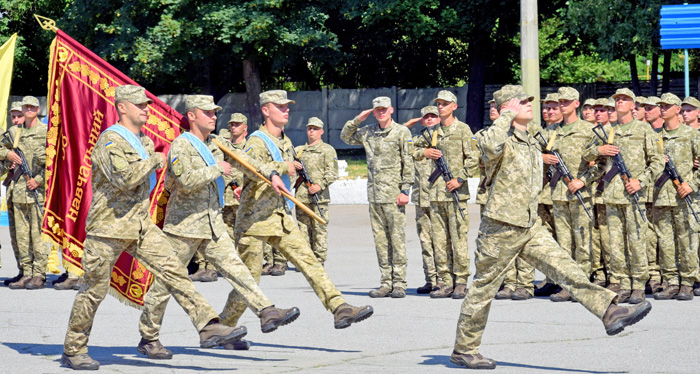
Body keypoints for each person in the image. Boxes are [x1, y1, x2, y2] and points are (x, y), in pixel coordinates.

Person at [450, 85, 652, 370]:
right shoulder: (494, 135)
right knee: (483, 289)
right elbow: (490, 148)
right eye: (523, 102)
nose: (532, 106)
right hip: (501, 227)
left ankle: (610, 311)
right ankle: (464, 349)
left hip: (529, 224)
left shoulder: (532, 137)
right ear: (508, 108)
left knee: (566, 268)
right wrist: (504, 116)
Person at [60, 85, 253, 370]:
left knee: (174, 272)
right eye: (140, 106)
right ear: (122, 107)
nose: (146, 110)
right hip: (108, 229)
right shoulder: (110, 142)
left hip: (140, 225)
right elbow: (124, 178)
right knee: (93, 291)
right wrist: (154, 161)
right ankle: (73, 349)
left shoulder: (146, 142)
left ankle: (208, 325)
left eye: (147, 105)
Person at [137, 95, 300, 359]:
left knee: (238, 270)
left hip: (212, 225)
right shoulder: (181, 145)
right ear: (192, 115)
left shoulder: (215, 143)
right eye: (208, 113)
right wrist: (216, 169)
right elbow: (187, 180)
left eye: (215, 113)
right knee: (165, 285)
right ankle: (149, 337)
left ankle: (266, 310)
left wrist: (271, 173)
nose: (214, 117)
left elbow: (247, 161)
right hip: (183, 228)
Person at [221, 89, 373, 328]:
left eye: (286, 106)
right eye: (280, 106)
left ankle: (339, 308)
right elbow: (250, 167)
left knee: (309, 261)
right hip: (254, 220)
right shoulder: (256, 140)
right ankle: (225, 326)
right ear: (265, 110)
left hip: (280, 217)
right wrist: (282, 167)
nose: (286, 110)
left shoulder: (286, 141)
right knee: (250, 280)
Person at [583, 88, 665, 304]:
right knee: (615, 244)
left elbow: (657, 162)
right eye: (617, 99)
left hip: (633, 195)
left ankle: (638, 284)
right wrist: (599, 151)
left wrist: (641, 181)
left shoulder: (644, 130)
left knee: (637, 240)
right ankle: (622, 283)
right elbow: (588, 155)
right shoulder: (607, 132)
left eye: (624, 99)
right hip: (611, 195)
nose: (620, 102)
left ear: (633, 105)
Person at [341, 96, 414, 298]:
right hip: (374, 195)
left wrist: (405, 190)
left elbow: (408, 162)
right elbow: (345, 137)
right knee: (381, 241)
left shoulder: (401, 132)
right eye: (377, 110)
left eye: (384, 109)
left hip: (393, 196)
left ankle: (399, 283)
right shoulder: (368, 132)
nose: (381, 112)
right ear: (373, 112)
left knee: (397, 240)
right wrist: (357, 119)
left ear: (391, 110)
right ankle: (386, 282)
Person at [413, 90, 478, 299]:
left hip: (455, 194)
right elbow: (410, 149)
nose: (441, 107)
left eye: (445, 104)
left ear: (454, 106)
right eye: (439, 104)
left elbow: (474, 157)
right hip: (435, 194)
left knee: (458, 238)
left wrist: (459, 179)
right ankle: (445, 281)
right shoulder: (432, 132)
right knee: (439, 241)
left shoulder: (463, 130)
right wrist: (424, 153)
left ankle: (460, 281)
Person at [544, 87, 598, 302]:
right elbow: (531, 150)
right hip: (558, 193)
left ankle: (582, 285)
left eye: (567, 102)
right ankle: (567, 285)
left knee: (583, 240)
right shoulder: (551, 131)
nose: (562, 105)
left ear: (577, 103)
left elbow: (601, 164)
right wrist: (542, 158)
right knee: (563, 244)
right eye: (560, 102)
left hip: (580, 193)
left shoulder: (589, 130)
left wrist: (582, 180)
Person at [651, 93, 700, 301]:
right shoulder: (655, 136)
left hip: (684, 196)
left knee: (687, 239)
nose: (663, 109)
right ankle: (670, 281)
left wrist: (692, 184)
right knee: (665, 241)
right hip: (662, 196)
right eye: (661, 106)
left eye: (667, 106)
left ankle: (688, 282)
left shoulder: (691, 134)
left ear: (677, 109)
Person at [0, 96, 50, 290]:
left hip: (37, 192)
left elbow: (55, 163)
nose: (28, 110)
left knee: (37, 236)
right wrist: (7, 154)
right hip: (17, 192)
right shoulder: (14, 132)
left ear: (38, 110)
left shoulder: (46, 133)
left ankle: (39, 274)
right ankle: (26, 272)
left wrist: (37, 180)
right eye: (25, 107)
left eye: (32, 107)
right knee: (19, 236)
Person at [404, 106, 441, 294]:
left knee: (442, 242)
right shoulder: (417, 140)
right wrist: (407, 126)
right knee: (426, 241)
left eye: (433, 116)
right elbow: (399, 142)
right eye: (426, 117)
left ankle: (444, 280)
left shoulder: (445, 138)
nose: (429, 120)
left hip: (440, 199)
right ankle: (431, 279)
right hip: (421, 199)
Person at [293, 117, 338, 265]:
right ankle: (306, 259)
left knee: (319, 228)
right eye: (309, 128)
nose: (312, 131)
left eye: (315, 129)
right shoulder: (299, 151)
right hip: (301, 196)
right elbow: (286, 165)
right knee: (303, 229)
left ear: (321, 131)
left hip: (320, 196)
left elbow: (332, 173)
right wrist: (292, 164)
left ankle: (319, 258)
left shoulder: (327, 150)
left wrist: (320, 185)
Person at [1, 101, 23, 285]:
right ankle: (22, 271)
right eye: (13, 116)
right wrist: (7, 157)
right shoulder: (8, 136)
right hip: (13, 191)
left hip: (33, 193)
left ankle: (34, 273)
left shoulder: (38, 134)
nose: (16, 120)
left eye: (19, 116)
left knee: (32, 237)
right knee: (16, 236)